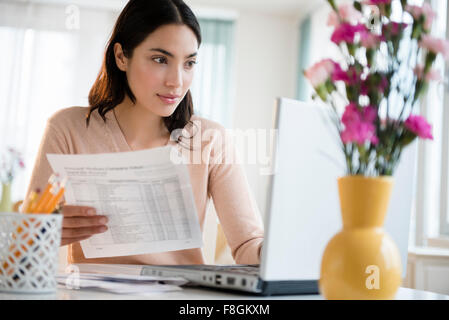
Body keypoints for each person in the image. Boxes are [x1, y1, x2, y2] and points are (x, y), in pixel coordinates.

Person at [24, 0, 264, 266]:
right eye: (160, 59)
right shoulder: (68, 128)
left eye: (189, 63)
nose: (176, 81)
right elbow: (26, 244)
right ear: (121, 57)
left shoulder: (210, 140)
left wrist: (283, 251)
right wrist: (43, 235)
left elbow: (248, 245)